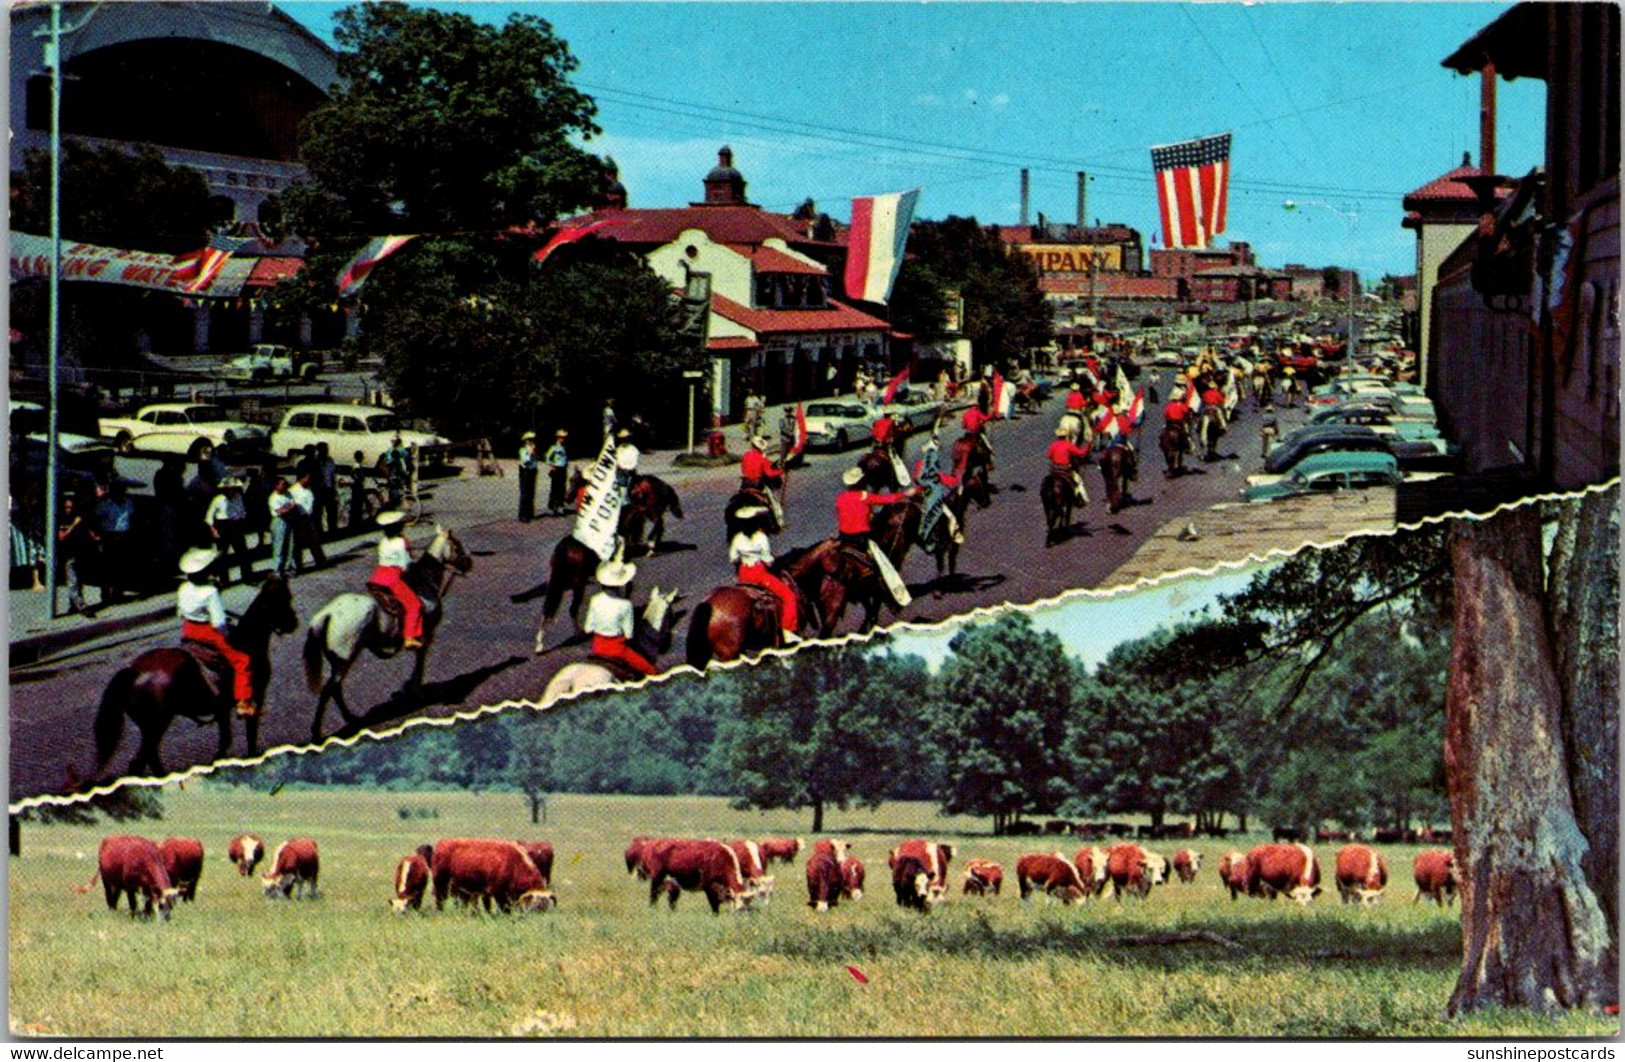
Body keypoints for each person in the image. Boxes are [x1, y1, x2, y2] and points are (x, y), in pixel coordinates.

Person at [176, 546, 257, 717]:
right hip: (207, 632)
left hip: (188, 629)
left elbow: (181, 612)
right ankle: (243, 702)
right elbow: (219, 622)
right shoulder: (210, 591)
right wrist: (228, 634)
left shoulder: (183, 587)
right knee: (242, 660)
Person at [834, 466, 913, 608]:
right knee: (882, 564)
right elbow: (888, 499)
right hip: (860, 539)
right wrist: (906, 494)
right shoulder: (865, 497)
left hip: (843, 537)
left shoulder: (840, 497)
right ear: (860, 482)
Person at [728, 506, 800, 643]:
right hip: (759, 574)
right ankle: (788, 630)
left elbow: (733, 558)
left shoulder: (737, 538)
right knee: (789, 596)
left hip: (743, 574)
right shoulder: (761, 537)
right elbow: (768, 560)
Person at [581, 557, 658, 676]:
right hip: (617, 649)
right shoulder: (625, 605)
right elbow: (629, 635)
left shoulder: (594, 600)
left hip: (597, 647)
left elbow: (588, 628)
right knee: (650, 670)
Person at [371, 510, 423, 650]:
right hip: (393, 579)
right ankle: (409, 638)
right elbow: (405, 565)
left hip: (377, 577)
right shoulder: (401, 542)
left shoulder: (382, 542)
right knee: (414, 605)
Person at [204, 476, 252, 584]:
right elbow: (208, 517)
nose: (231, 490)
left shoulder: (238, 497)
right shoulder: (218, 499)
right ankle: (224, 580)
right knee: (222, 556)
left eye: (233, 488)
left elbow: (242, 512)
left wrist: (241, 523)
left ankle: (247, 578)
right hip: (223, 527)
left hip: (236, 526)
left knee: (243, 554)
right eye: (229, 488)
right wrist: (214, 530)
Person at [94, 480, 135, 604]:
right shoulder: (105, 504)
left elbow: (131, 518)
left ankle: (118, 593)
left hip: (124, 535)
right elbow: (96, 518)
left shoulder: (128, 503)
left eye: (122, 490)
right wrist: (97, 535)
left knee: (121, 567)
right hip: (110, 536)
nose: (120, 493)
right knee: (108, 567)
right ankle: (106, 594)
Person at [56, 494, 96, 614]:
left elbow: (88, 531)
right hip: (68, 554)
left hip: (79, 552)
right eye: (67, 507)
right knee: (73, 580)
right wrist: (72, 527)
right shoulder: (62, 520)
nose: (69, 510)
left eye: (71, 507)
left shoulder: (79, 518)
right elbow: (61, 536)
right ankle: (81, 606)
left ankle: (73, 605)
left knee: (78, 580)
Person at [289, 471, 327, 569]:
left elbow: (310, 505)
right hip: (297, 519)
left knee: (314, 540)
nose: (309, 480)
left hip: (308, 518)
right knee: (297, 544)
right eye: (307, 478)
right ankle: (298, 564)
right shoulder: (293, 490)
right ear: (302, 478)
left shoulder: (309, 490)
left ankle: (320, 561)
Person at [1048, 425, 1093, 506]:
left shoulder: (1053, 445)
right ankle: (1082, 499)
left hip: (1054, 469)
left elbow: (1049, 456)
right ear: (1066, 436)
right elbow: (1081, 453)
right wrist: (1088, 446)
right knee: (1078, 481)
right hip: (1065, 469)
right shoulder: (1068, 445)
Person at [268, 477, 299, 578]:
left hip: (290, 521)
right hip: (279, 522)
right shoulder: (273, 497)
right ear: (276, 486)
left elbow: (294, 505)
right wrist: (289, 507)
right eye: (282, 484)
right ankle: (277, 570)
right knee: (279, 546)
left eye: (285, 484)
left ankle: (289, 568)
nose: (284, 486)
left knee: (290, 545)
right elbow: (280, 511)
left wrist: (288, 508)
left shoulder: (288, 494)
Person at [315, 443, 339, 537]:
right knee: (318, 513)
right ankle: (319, 533)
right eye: (324, 449)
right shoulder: (315, 461)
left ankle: (332, 531)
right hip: (319, 490)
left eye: (326, 449)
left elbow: (332, 475)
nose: (326, 451)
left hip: (329, 489)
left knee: (332, 511)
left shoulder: (330, 460)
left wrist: (334, 490)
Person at [544, 430, 570, 515]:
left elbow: (565, 457)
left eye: (564, 438)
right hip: (556, 468)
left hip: (563, 468)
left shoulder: (564, 447)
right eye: (562, 437)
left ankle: (560, 505)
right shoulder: (554, 447)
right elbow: (547, 457)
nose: (563, 439)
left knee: (562, 488)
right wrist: (551, 465)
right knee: (555, 488)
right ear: (558, 438)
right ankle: (553, 506)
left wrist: (567, 464)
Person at [517, 431, 540, 522]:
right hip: (525, 471)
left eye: (533, 440)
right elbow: (525, 461)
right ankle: (523, 514)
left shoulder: (534, 450)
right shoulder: (523, 450)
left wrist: (534, 454)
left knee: (531, 492)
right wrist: (530, 453)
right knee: (525, 493)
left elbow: (536, 460)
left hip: (532, 471)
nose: (532, 442)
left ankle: (530, 512)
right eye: (530, 440)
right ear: (526, 441)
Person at [613, 428, 639, 504]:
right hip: (618, 470)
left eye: (625, 438)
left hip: (628, 471)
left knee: (621, 480)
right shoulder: (619, 449)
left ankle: (624, 500)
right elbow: (616, 460)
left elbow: (633, 463)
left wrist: (624, 468)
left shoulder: (633, 449)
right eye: (622, 439)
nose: (624, 440)